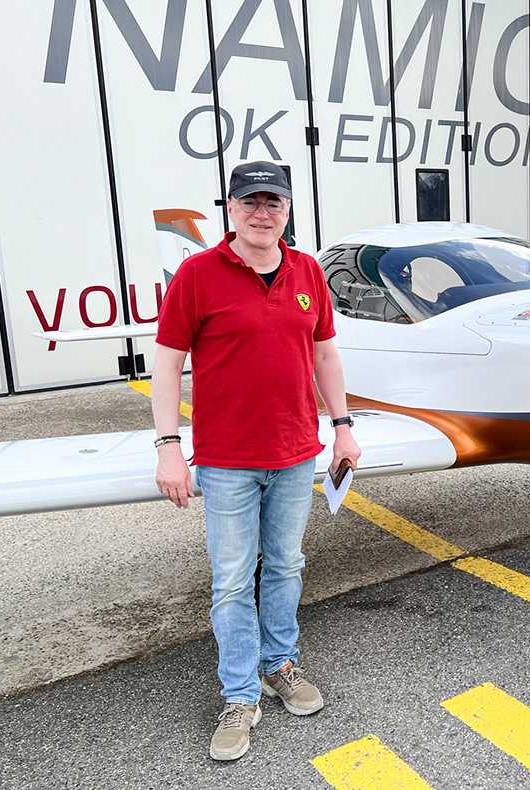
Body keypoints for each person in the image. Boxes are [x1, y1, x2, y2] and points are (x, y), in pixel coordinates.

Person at [151, 160, 361, 761]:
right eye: (250, 202)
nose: (261, 212)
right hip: (226, 460)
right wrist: (169, 447)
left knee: (288, 566)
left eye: (273, 202)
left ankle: (280, 663)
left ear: (288, 211)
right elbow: (166, 363)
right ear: (231, 208)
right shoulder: (197, 275)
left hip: (296, 451)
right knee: (232, 580)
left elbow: (325, 355)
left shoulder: (306, 272)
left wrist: (342, 426)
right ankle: (241, 696)